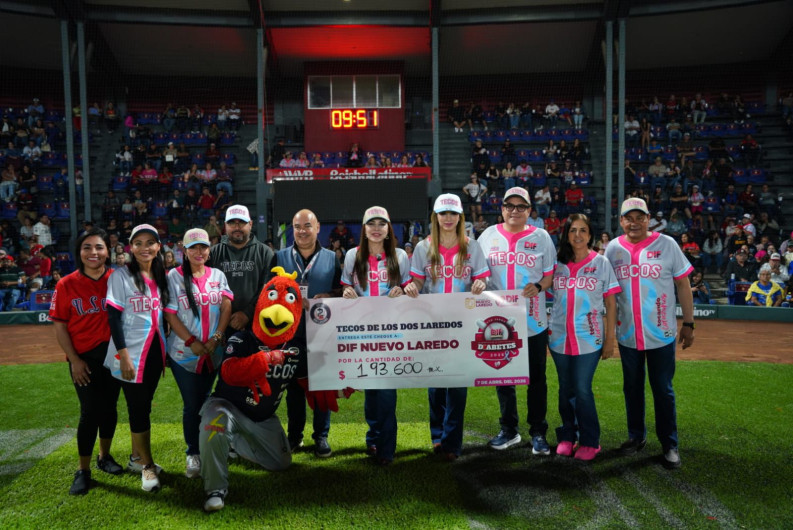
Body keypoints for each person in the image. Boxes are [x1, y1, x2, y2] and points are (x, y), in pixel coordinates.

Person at [604, 198, 695, 470]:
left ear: (648, 218)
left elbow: (683, 284)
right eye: (628, 218)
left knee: (663, 390)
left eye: (639, 217)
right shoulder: (613, 248)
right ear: (621, 221)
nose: (634, 223)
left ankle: (670, 444)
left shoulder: (667, 244)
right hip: (628, 335)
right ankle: (636, 436)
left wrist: (689, 323)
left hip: (661, 333)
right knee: (632, 388)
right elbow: (607, 291)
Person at [404, 194, 490, 460]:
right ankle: (437, 436)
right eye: (443, 214)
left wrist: (481, 285)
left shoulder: (472, 246)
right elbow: (418, 282)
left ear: (461, 217)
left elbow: (481, 279)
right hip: (432, 324)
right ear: (436, 217)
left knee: (458, 385)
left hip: (463, 324)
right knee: (436, 384)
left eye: (453, 214)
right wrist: (411, 287)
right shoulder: (423, 247)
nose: (449, 218)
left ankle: (452, 442)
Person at [477, 187, 556, 455]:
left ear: (529, 211)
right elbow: (479, 272)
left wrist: (539, 286)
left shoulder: (541, 237)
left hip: (532, 319)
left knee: (536, 379)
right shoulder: (487, 235)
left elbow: (549, 276)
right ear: (501, 208)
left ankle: (538, 432)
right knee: (504, 377)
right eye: (509, 205)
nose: (514, 210)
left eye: (520, 206)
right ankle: (509, 430)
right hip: (498, 320)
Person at [50, 229, 124, 494]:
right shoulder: (66, 284)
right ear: (79, 252)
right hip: (84, 359)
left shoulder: (118, 279)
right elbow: (60, 326)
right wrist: (74, 360)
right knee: (90, 411)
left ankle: (104, 457)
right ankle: (83, 469)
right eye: (87, 247)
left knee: (110, 408)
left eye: (99, 247)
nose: (94, 252)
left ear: (108, 251)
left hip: (113, 356)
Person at [341, 206, 411, 465]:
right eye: (371, 223)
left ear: (388, 229)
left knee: (386, 392)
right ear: (364, 228)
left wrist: (403, 290)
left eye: (382, 223)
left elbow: (410, 286)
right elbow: (346, 284)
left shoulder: (401, 256)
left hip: (392, 333)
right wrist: (347, 291)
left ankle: (386, 449)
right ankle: (373, 437)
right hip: (361, 332)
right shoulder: (352, 255)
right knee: (370, 389)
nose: (376, 228)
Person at [103, 224, 170, 491]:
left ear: (158, 247)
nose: (145, 248)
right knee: (138, 409)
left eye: (150, 242)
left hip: (154, 352)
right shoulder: (120, 276)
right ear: (131, 247)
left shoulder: (161, 274)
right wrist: (124, 356)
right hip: (130, 353)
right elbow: (113, 317)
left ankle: (135, 457)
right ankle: (147, 466)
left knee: (144, 404)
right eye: (139, 243)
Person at [548, 214, 619, 461]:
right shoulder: (557, 264)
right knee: (565, 389)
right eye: (572, 230)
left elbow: (611, 303)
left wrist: (610, 339)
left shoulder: (601, 263)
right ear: (566, 234)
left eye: (583, 230)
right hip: (558, 337)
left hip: (589, 338)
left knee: (582, 389)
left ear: (590, 235)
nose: (577, 235)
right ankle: (567, 436)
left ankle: (590, 440)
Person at [164, 229, 232, 479]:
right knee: (193, 405)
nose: (199, 252)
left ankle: (218, 445)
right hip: (184, 353)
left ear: (209, 249)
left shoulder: (218, 274)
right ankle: (193, 453)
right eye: (193, 248)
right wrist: (192, 341)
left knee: (213, 403)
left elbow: (226, 305)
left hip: (214, 352)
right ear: (184, 250)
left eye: (203, 247)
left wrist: (216, 338)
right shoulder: (174, 276)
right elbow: (170, 312)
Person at [276, 209, 342, 457]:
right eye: (297, 226)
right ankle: (295, 437)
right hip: (289, 333)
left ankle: (321, 436)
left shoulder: (331, 258)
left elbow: (340, 291)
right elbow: (269, 293)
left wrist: (329, 296)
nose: (302, 231)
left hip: (322, 332)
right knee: (293, 389)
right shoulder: (279, 256)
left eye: (307, 226)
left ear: (318, 228)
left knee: (322, 387)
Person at [208, 205, 275, 338]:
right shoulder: (213, 253)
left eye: (241, 223)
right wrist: (224, 318)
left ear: (250, 224)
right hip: (219, 326)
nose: (237, 227)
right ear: (226, 225)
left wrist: (247, 314)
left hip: (257, 323)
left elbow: (269, 288)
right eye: (232, 223)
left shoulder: (265, 252)